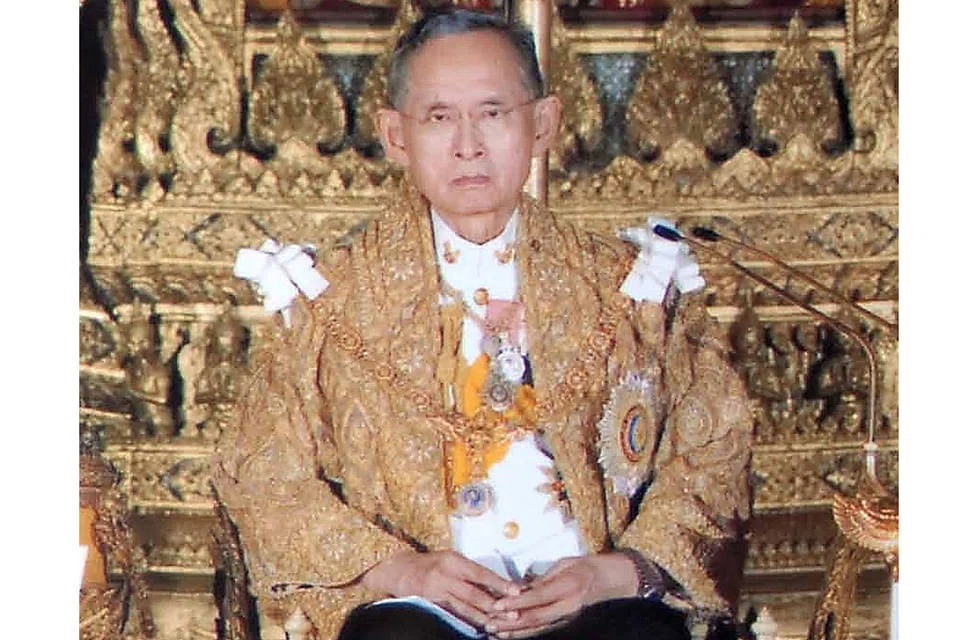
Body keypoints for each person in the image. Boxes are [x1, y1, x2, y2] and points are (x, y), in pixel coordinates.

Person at [214, 8, 752, 640]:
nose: (467, 145)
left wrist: (615, 572)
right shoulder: (327, 301)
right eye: (439, 118)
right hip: (417, 611)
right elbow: (265, 479)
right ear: (396, 135)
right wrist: (403, 570)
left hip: (594, 607)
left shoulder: (632, 289)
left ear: (542, 123)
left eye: (492, 113)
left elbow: (712, 454)